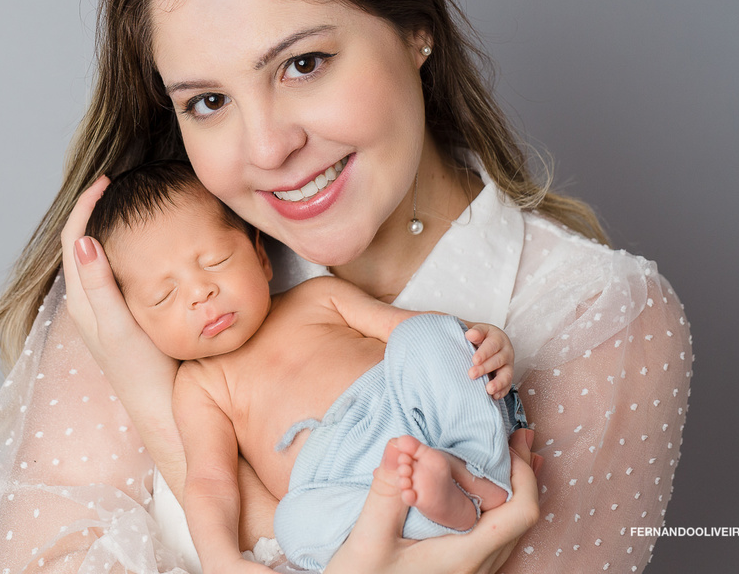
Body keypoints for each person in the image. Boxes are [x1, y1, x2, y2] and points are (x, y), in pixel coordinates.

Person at [0, 0, 691, 574]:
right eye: (208, 100)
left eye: (303, 64)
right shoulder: (152, 282)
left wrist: (157, 417)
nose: (267, 149)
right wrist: (154, 388)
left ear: (415, 30)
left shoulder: (597, 318)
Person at [85, 160, 526, 572]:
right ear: (140, 324)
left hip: (405, 404)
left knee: (426, 334)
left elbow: (415, 333)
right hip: (342, 478)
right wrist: (222, 559)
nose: (201, 293)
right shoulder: (200, 386)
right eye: (164, 296)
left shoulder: (317, 297)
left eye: (216, 262)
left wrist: (482, 340)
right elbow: (210, 483)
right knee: (295, 523)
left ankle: (475, 465)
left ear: (261, 258)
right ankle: (443, 507)